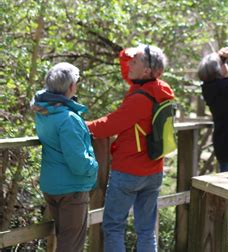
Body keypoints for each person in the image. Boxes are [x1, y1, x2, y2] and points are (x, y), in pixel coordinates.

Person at [87, 45, 174, 252]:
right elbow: (126, 59)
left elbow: (109, 125)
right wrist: (139, 51)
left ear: (145, 71)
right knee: (146, 230)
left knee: (114, 226)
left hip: (129, 171)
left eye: (134, 62)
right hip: (153, 170)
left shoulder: (139, 99)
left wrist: (77, 125)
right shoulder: (160, 91)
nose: (128, 64)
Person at [32, 62, 98, 252]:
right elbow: (78, 162)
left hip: (52, 186)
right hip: (72, 189)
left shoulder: (44, 112)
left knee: (65, 239)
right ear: (70, 87)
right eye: (76, 82)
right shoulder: (68, 118)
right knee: (71, 245)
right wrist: (94, 166)